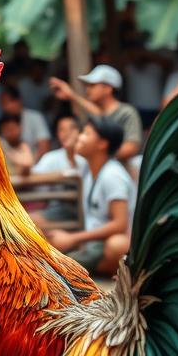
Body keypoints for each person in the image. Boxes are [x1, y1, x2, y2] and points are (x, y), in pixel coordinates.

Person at [48, 118, 133, 276]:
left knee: (116, 246)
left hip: (115, 244)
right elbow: (72, 155)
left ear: (102, 144)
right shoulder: (89, 170)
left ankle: (78, 267)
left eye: (86, 134)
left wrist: (73, 238)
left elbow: (120, 224)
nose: (79, 137)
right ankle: (77, 265)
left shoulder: (112, 175)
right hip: (93, 245)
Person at [49, 65, 143, 160]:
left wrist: (97, 154)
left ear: (108, 88)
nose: (87, 89)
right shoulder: (90, 114)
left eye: (92, 85)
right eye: (87, 86)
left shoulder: (126, 112)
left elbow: (131, 148)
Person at [30, 116, 87, 228]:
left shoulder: (89, 155)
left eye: (71, 128)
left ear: (80, 132)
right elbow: (33, 175)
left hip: (87, 209)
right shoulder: (51, 157)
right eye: (62, 130)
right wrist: (58, 175)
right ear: (57, 134)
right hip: (60, 209)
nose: (67, 133)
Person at [0, 84, 51, 156]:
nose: (4, 107)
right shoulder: (3, 122)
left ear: (17, 101)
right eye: (2, 104)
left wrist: (32, 164)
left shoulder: (35, 117)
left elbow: (44, 145)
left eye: (6, 102)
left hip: (37, 164)